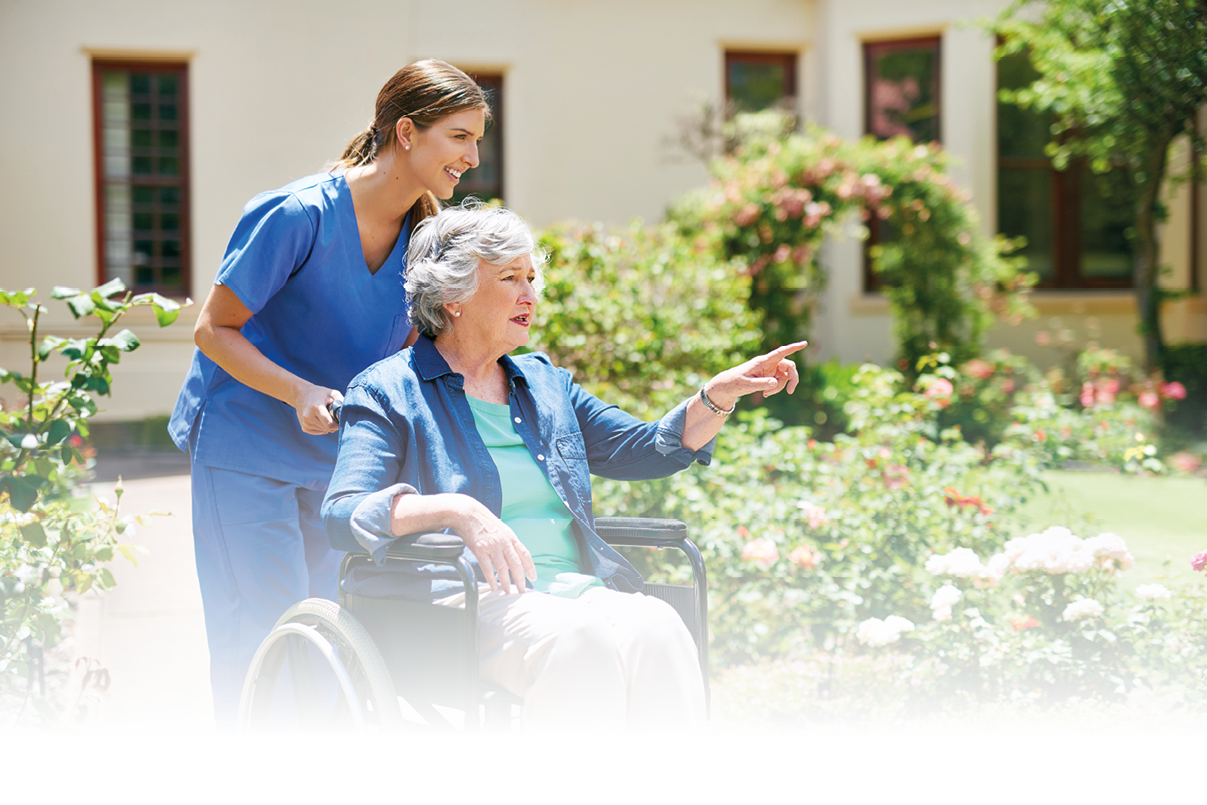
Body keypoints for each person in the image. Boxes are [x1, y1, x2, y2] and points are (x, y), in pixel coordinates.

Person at [323, 204, 807, 735]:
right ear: (453, 297)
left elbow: (644, 447)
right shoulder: (387, 389)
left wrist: (716, 396)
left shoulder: (546, 385)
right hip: (460, 600)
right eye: (510, 278)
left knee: (660, 628)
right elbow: (344, 513)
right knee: (578, 638)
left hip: (573, 591)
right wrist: (456, 510)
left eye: (531, 277)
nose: (530, 293)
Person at [168, 60, 490, 735]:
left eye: (477, 139)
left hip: (334, 460)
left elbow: (410, 356)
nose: (473, 156)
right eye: (459, 136)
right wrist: (297, 391)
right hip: (244, 448)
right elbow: (211, 329)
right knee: (261, 637)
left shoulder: (423, 241)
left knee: (327, 644)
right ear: (406, 132)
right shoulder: (297, 214)